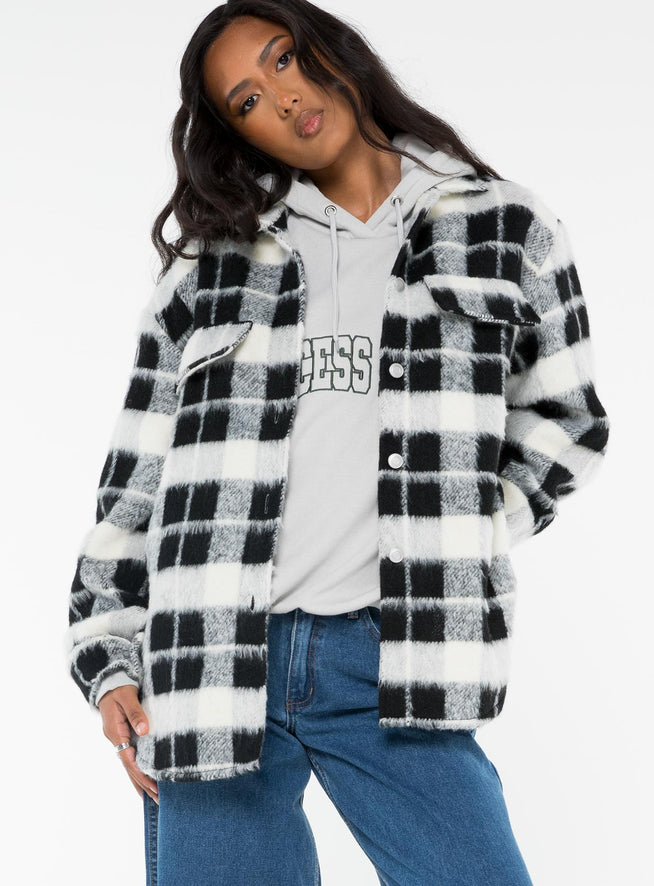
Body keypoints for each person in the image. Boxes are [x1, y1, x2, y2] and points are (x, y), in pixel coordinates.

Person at [64, 1, 611, 883]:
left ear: (330, 49)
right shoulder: (210, 267)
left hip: (397, 650)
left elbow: (568, 419)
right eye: (246, 100)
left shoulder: (506, 227)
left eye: (282, 59)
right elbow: (137, 477)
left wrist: (469, 526)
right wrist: (108, 655)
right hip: (211, 656)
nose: (281, 98)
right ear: (239, 134)